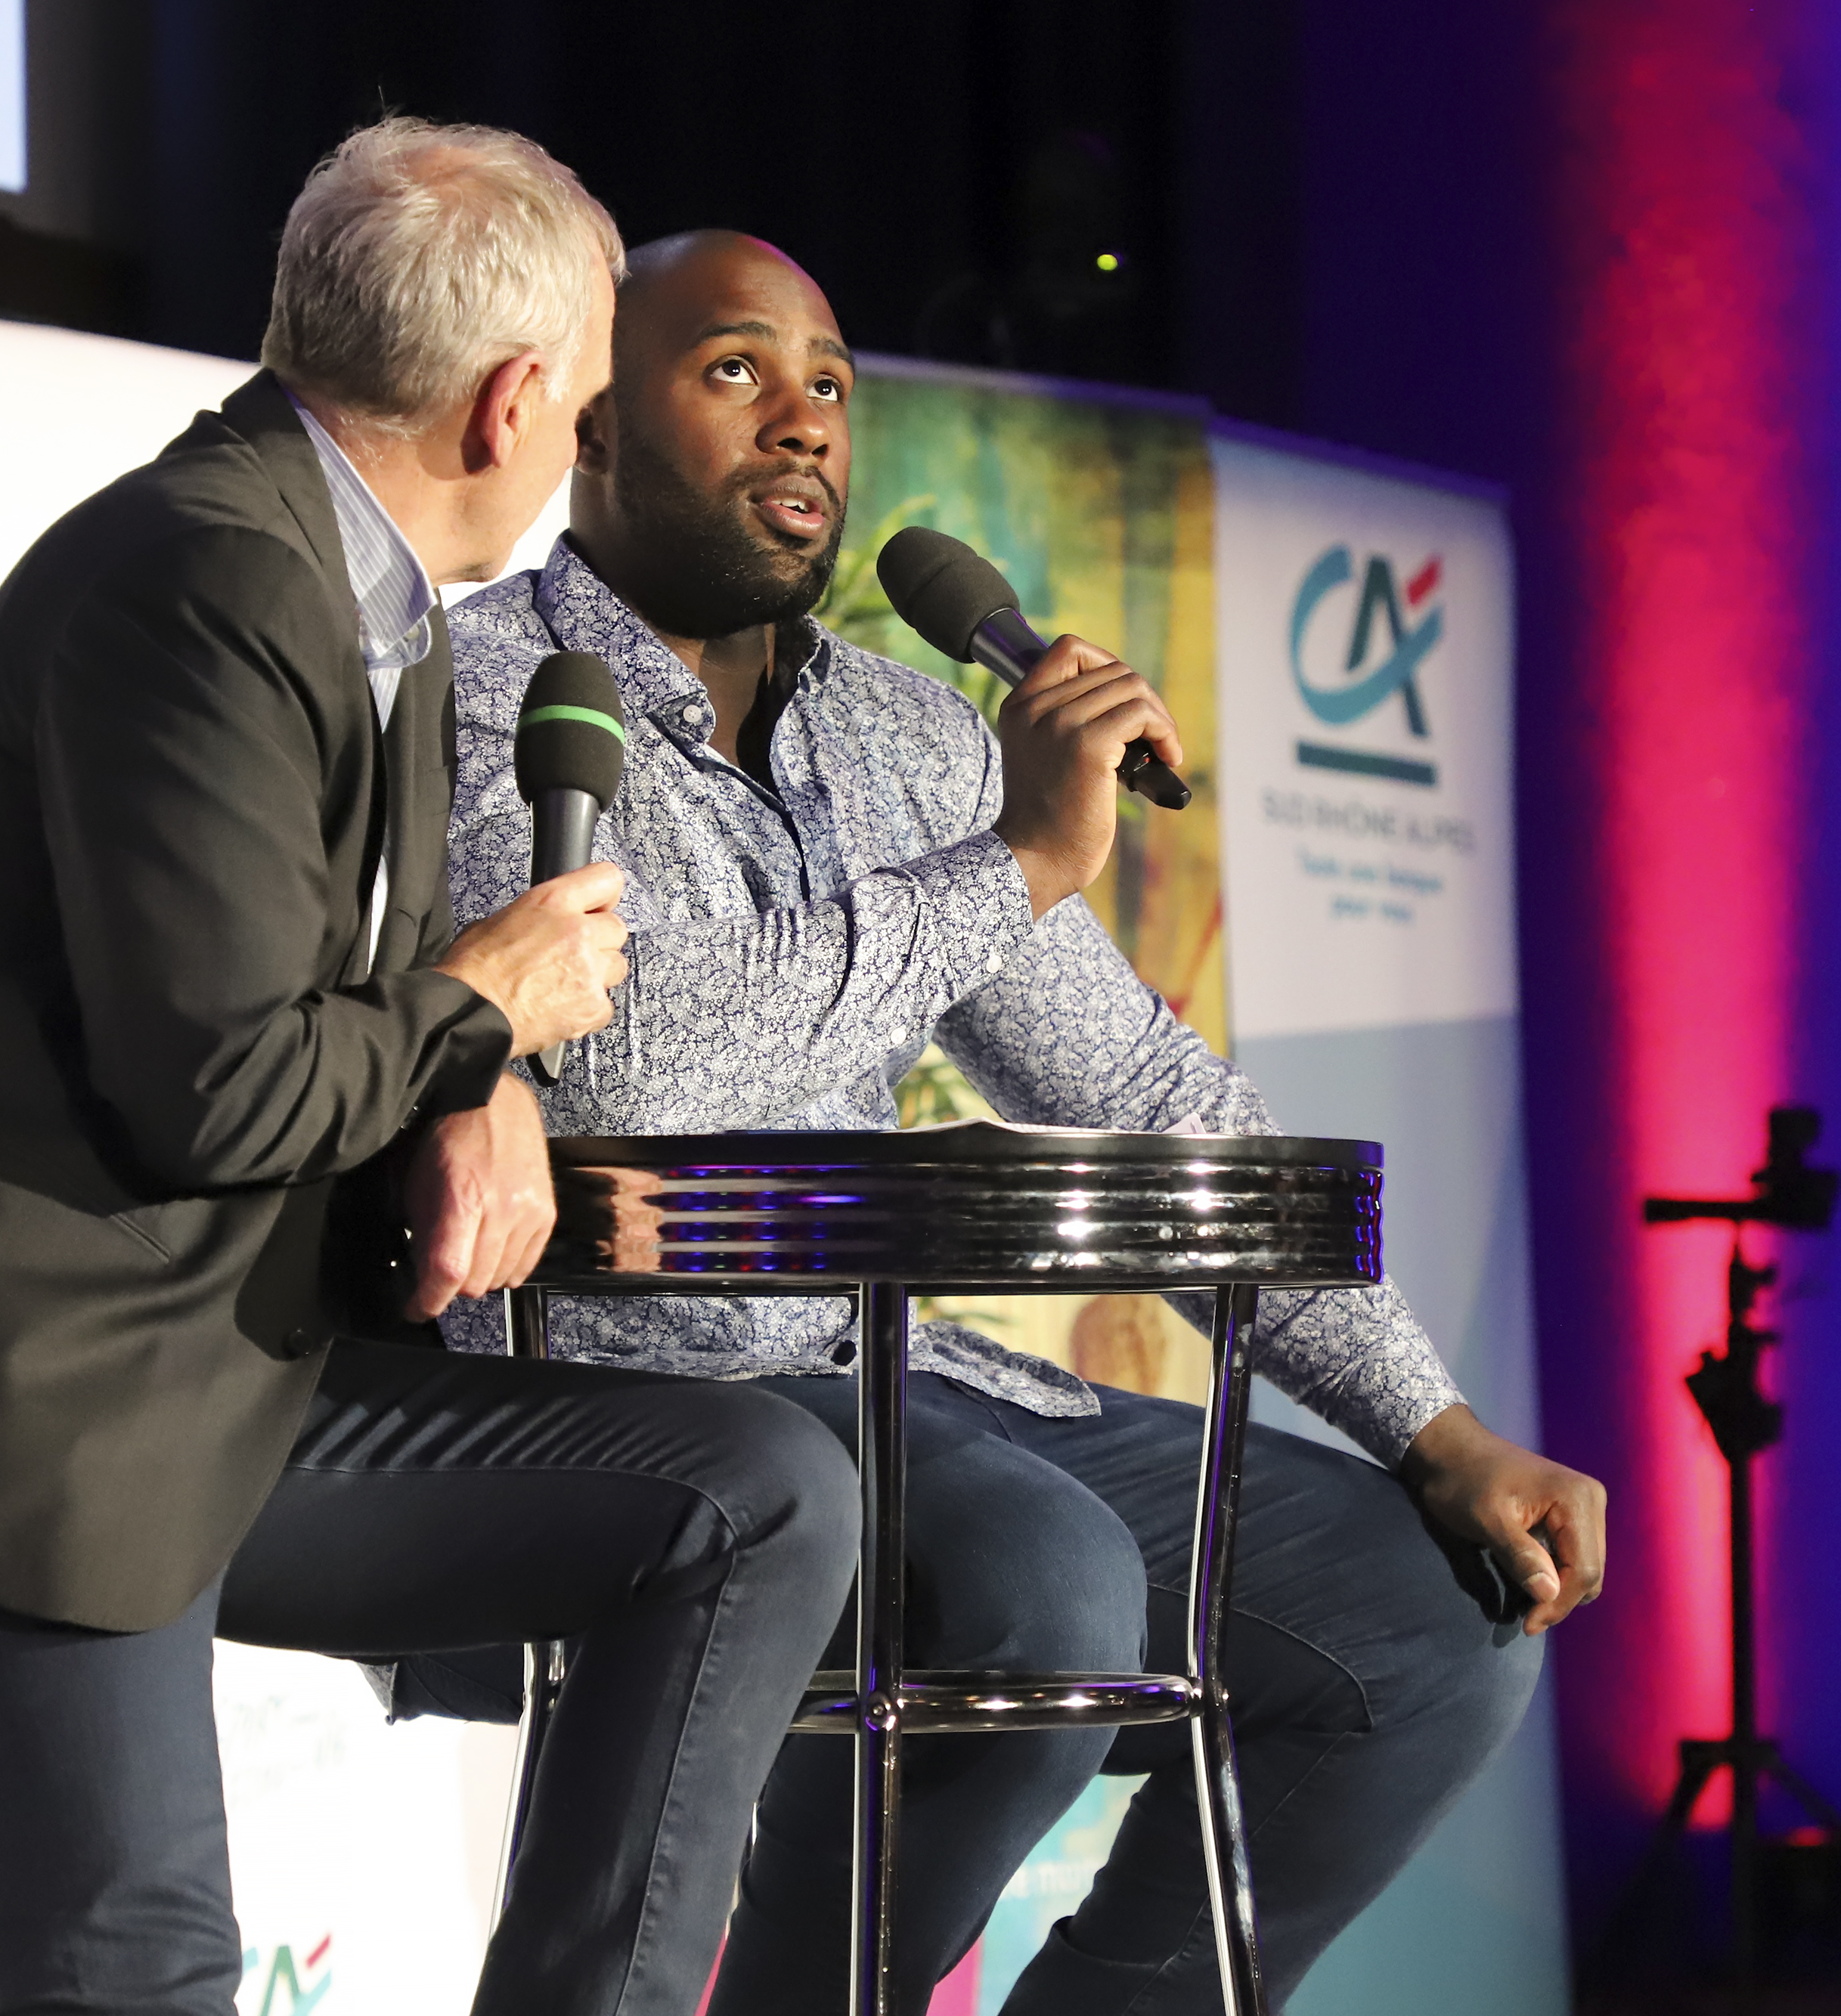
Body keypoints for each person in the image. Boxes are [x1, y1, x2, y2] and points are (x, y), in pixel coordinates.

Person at [0, 134, 856, 2016]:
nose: (577, 452)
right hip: (9, 1409)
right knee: (147, 1983)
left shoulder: (360, 586)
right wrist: (482, 1010)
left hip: (225, 1363)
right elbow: (216, 1091)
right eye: (590, 401)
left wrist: (482, 1078)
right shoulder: (204, 580)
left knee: (761, 1486)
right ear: (516, 399)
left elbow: (324, 997)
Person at [439, 230, 1610, 2014]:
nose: (805, 422)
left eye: (830, 383)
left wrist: (1430, 1420)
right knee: (1042, 1580)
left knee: (1425, 1619)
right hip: (621, 1388)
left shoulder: (909, 735)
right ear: (591, 418)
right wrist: (1012, 866)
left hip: (900, 1377)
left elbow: (1137, 1090)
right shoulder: (475, 686)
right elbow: (622, 1073)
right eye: (736, 370)